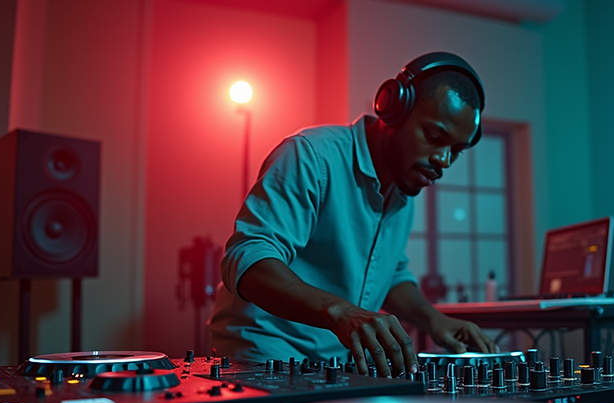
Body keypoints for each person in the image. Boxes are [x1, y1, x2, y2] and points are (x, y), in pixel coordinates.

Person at [209, 52, 497, 377]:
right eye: (434, 137)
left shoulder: (404, 188)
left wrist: (434, 320)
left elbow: (390, 276)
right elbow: (247, 257)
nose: (443, 160)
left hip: (335, 363)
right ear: (394, 109)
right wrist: (341, 312)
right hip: (262, 353)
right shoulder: (311, 157)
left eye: (456, 151)